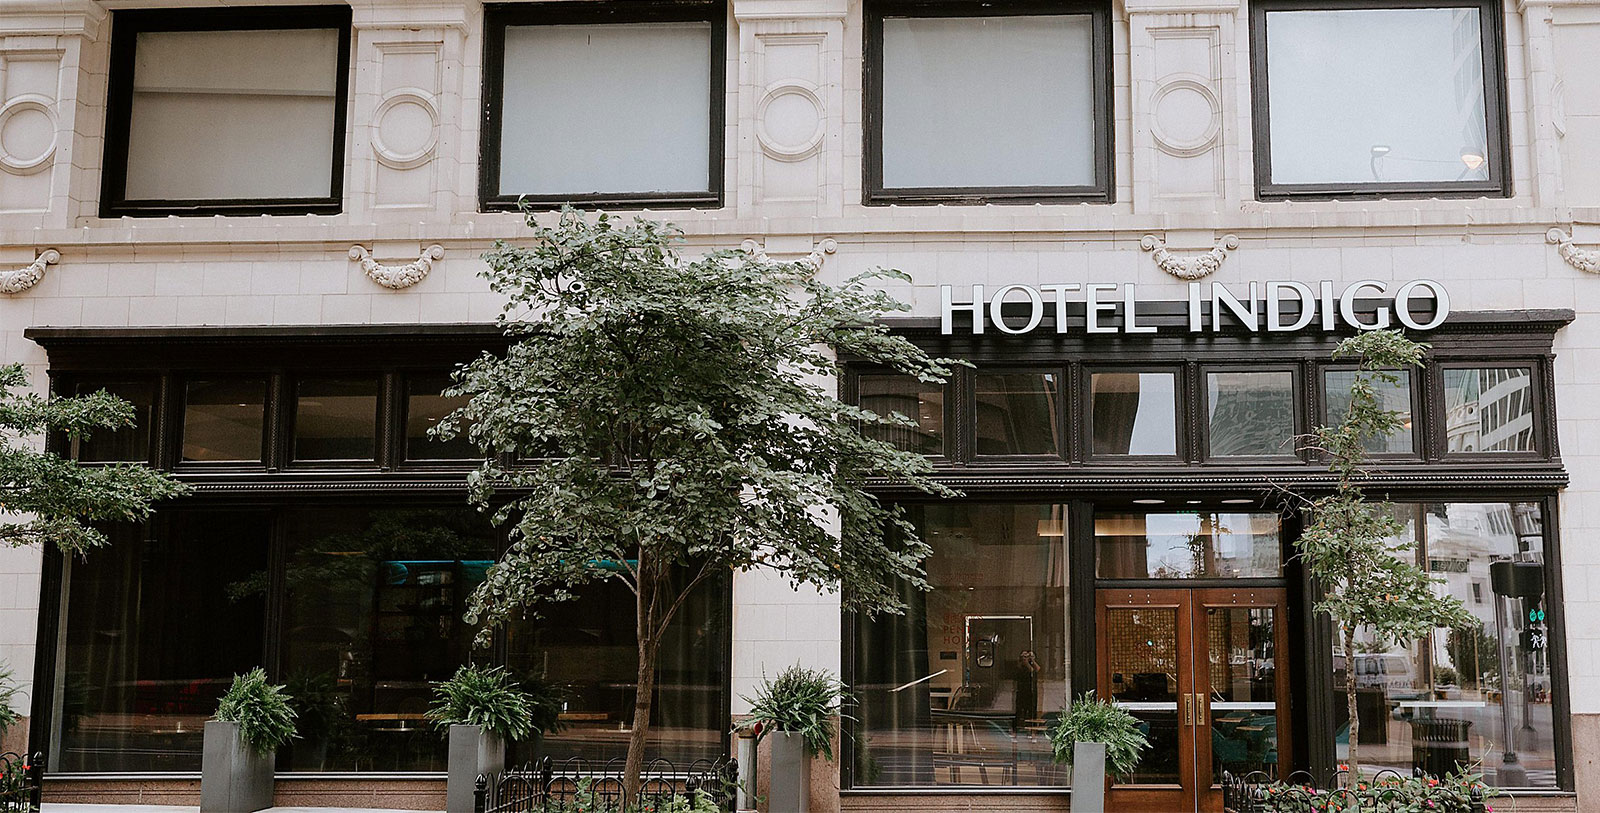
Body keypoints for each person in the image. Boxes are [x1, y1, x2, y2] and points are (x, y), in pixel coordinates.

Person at [1014, 650, 1041, 732]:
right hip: (1021, 690)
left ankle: (1031, 727)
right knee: (1019, 709)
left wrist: (1031, 661)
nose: (1025, 658)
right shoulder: (1020, 665)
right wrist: (1024, 662)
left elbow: (1036, 670)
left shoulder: (1031, 665)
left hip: (1031, 690)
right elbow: (1016, 673)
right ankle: (1018, 726)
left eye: (1027, 657)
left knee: (1031, 709)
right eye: (1024, 657)